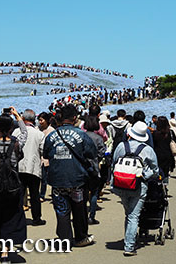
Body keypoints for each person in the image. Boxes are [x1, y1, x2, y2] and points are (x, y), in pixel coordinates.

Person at [43, 105, 96, 248]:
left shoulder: (51, 135)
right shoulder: (82, 135)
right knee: (79, 210)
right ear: (74, 118)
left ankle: (64, 240)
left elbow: (46, 154)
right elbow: (91, 153)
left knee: (61, 211)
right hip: (77, 179)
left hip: (57, 179)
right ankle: (80, 237)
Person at [0, 108, 28, 263]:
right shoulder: (16, 144)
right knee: (11, 217)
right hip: (12, 185)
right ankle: (5, 253)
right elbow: (24, 133)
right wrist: (17, 116)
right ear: (11, 128)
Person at [112, 121, 159, 256]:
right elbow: (155, 170)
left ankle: (129, 239)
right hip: (138, 186)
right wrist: (144, 175)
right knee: (133, 215)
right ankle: (129, 246)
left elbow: (114, 163)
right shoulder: (147, 149)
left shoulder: (121, 146)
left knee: (129, 214)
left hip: (121, 184)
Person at [13, 109, 46, 226]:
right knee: (34, 195)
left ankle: (18, 219)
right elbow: (43, 151)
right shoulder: (39, 134)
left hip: (19, 167)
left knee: (19, 195)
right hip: (34, 167)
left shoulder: (16, 132)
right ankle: (36, 218)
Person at [83, 115, 106, 225]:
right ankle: (91, 216)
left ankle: (82, 215)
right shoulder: (98, 138)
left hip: (82, 168)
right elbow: (102, 153)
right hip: (94, 168)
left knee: (82, 193)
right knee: (94, 193)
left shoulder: (81, 136)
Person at [152, 116, 176, 185]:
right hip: (168, 154)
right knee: (166, 171)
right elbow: (175, 142)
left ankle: (159, 185)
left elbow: (153, 144)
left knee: (158, 171)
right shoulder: (170, 132)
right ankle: (165, 185)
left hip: (157, 155)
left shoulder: (155, 133)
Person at [38, 112, 55, 201]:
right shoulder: (37, 129)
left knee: (46, 178)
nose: (40, 122)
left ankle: (42, 195)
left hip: (48, 157)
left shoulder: (51, 130)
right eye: (39, 120)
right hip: (38, 156)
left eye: (41, 120)